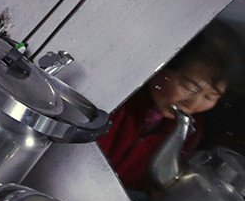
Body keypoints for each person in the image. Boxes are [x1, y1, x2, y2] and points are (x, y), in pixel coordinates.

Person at [98, 20, 245, 190]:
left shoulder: (189, 131)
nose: (192, 103)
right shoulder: (116, 97)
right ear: (161, 66)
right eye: (189, 86)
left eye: (209, 97)